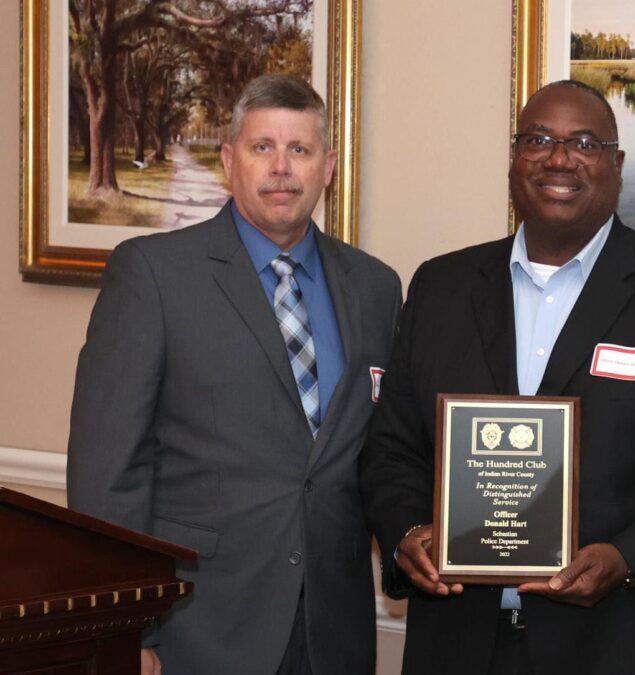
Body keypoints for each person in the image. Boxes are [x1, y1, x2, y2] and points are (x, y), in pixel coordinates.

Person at [359, 80, 635, 675]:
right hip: (457, 646)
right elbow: (391, 449)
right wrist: (405, 533)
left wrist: (629, 559)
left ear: (617, 164)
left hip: (623, 647)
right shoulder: (440, 287)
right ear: (515, 158)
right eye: (539, 140)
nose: (559, 158)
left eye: (584, 142)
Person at [67, 74, 401, 675]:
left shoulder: (376, 288)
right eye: (262, 148)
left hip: (332, 631)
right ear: (228, 161)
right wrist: (124, 629)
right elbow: (107, 473)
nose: (281, 168)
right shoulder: (154, 275)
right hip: (196, 628)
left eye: (299, 150)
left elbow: (380, 451)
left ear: (328, 167)